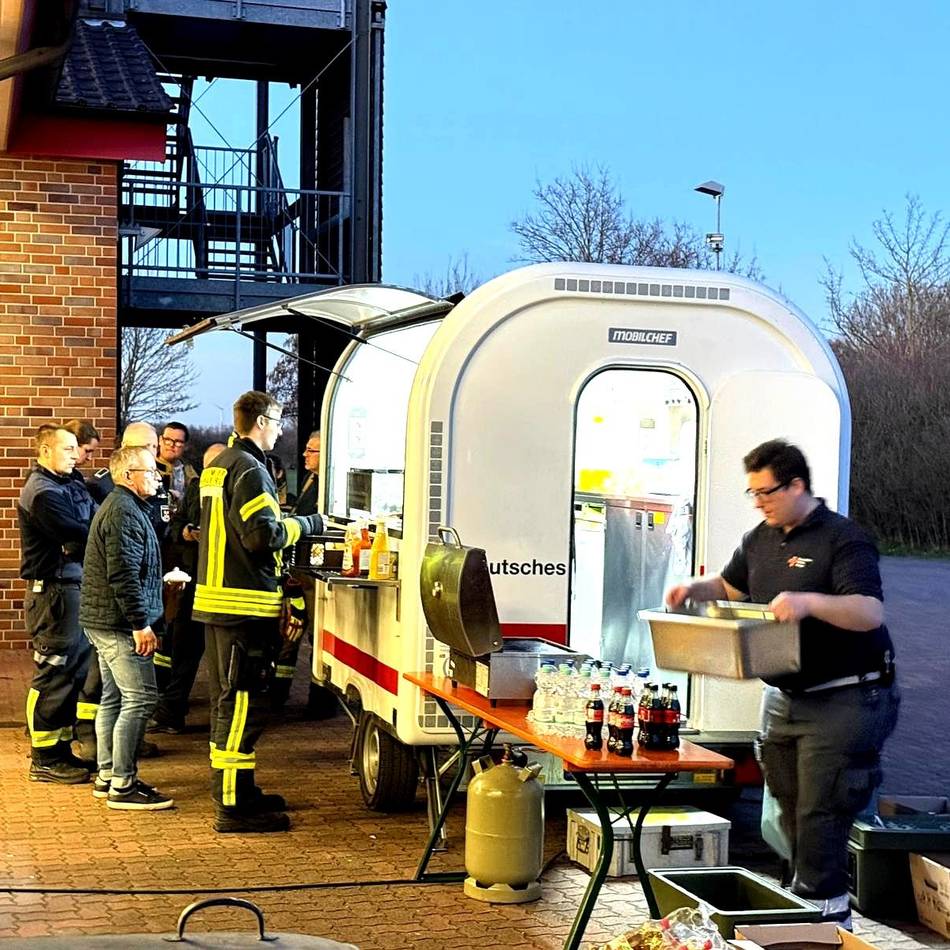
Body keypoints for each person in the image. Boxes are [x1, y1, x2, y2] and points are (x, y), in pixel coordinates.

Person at [665, 439, 899, 927]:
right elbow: (730, 587)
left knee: (822, 810)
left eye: (767, 492)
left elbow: (868, 610)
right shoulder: (761, 537)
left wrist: (810, 603)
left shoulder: (843, 538)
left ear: (797, 485)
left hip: (848, 695)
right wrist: (694, 588)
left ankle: (828, 920)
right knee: (784, 810)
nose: (759, 502)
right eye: (752, 493)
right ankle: (803, 905)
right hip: (785, 695)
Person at [193, 391, 323, 833]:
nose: (283, 431)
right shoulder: (249, 468)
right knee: (241, 703)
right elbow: (262, 536)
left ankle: (239, 788)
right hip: (243, 606)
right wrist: (309, 525)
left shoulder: (219, 465)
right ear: (263, 421)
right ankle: (231, 805)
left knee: (228, 702)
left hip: (217, 603)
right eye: (279, 422)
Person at [79, 445, 173, 811]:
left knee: (114, 698)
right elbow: (123, 575)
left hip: (104, 620)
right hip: (119, 625)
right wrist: (140, 624)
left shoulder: (126, 508)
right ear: (127, 477)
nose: (157, 477)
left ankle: (107, 775)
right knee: (140, 699)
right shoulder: (124, 513)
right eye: (150, 471)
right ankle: (123, 783)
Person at [18, 425, 96, 783]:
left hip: (71, 588)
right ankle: (44, 758)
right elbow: (76, 532)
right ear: (45, 451)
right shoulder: (42, 491)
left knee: (73, 672)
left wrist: (83, 534)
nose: (74, 454)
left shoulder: (70, 484)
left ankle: (61, 750)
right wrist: (81, 535)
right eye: (67, 449)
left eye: (75, 448)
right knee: (53, 671)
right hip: (53, 593)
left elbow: (92, 521)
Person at [148, 443, 226, 734]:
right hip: (194, 576)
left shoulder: (234, 491)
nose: (209, 475)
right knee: (183, 644)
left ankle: (198, 713)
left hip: (221, 582)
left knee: (213, 653)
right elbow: (179, 519)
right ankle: (172, 710)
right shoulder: (196, 488)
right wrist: (185, 532)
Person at [270, 430, 322, 709]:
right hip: (299, 571)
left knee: (316, 635)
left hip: (314, 574)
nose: (304, 455)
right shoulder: (308, 480)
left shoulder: (327, 484)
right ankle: (278, 692)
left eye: (311, 450)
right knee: (290, 631)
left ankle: (320, 701)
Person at [156, 421, 198, 517]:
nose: (171, 445)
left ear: (185, 446)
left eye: (178, 442)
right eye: (167, 440)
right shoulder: (147, 468)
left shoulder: (192, 473)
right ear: (160, 440)